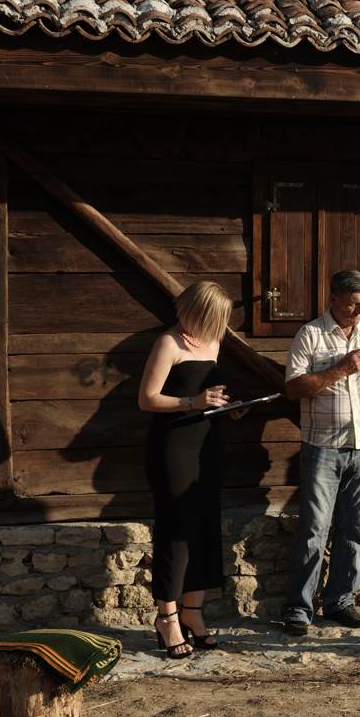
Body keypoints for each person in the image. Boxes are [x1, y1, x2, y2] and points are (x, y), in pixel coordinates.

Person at [281, 269, 360, 635]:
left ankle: (340, 601)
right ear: (333, 298)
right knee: (314, 529)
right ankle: (299, 609)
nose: (359, 311)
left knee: (354, 528)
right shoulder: (311, 335)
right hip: (324, 447)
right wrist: (340, 369)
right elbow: (293, 388)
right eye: (353, 304)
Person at [138, 281, 236, 658]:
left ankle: (193, 612)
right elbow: (147, 399)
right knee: (177, 530)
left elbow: (208, 394)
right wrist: (192, 402)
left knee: (205, 528)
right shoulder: (169, 343)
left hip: (208, 446)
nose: (217, 325)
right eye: (213, 318)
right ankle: (167, 617)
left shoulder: (212, 343)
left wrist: (229, 405)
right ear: (195, 310)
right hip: (173, 447)